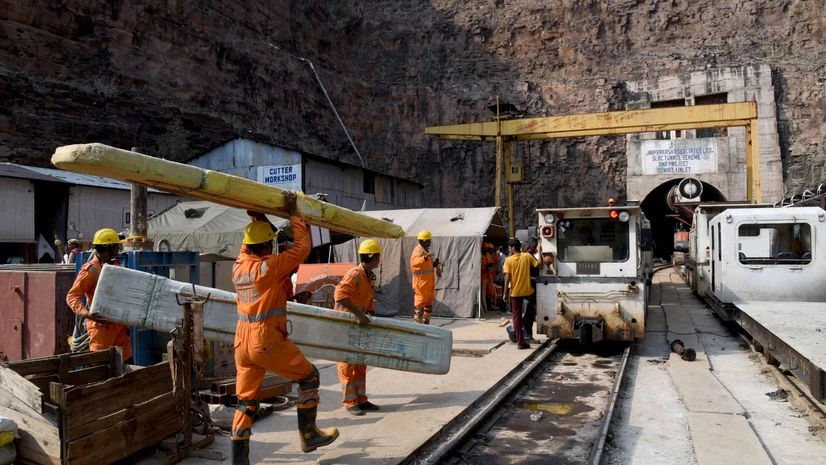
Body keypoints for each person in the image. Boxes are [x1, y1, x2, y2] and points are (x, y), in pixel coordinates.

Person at [231, 194, 338, 464]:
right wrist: (294, 215)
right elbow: (302, 249)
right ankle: (308, 434)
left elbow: (253, 244)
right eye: (270, 242)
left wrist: (259, 216)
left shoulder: (238, 266)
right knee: (309, 376)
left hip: (242, 342)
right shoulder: (268, 268)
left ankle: (239, 461)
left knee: (246, 401)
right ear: (265, 245)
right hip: (264, 339)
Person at [66, 228, 132, 361]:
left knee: (127, 369)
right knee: (102, 370)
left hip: (119, 329)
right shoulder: (91, 271)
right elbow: (72, 296)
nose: (118, 249)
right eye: (116, 246)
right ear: (108, 247)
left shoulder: (115, 266)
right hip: (102, 330)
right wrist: (86, 314)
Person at [333, 239, 382, 416]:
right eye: (378, 256)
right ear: (373, 256)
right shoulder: (354, 274)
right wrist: (359, 315)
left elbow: (368, 298)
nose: (379, 259)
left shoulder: (368, 276)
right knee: (346, 363)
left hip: (359, 325)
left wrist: (370, 313)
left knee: (360, 362)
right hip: (345, 325)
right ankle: (350, 402)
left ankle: (361, 399)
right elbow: (339, 296)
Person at [503, 238, 539, 349]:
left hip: (515, 292)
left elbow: (507, 277)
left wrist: (505, 293)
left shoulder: (509, 260)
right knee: (531, 310)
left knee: (516, 317)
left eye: (509, 247)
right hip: (528, 291)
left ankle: (520, 342)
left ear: (513, 248)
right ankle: (527, 334)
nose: (509, 249)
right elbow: (538, 265)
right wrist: (541, 252)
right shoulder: (527, 256)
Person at [411, 230, 438, 324]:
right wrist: (425, 258)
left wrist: (434, 264)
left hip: (428, 285)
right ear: (424, 241)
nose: (430, 243)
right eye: (429, 241)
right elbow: (414, 263)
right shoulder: (418, 251)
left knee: (428, 307)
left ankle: (426, 325)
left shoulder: (425, 251)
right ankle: (418, 328)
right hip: (421, 285)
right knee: (420, 308)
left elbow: (426, 266)